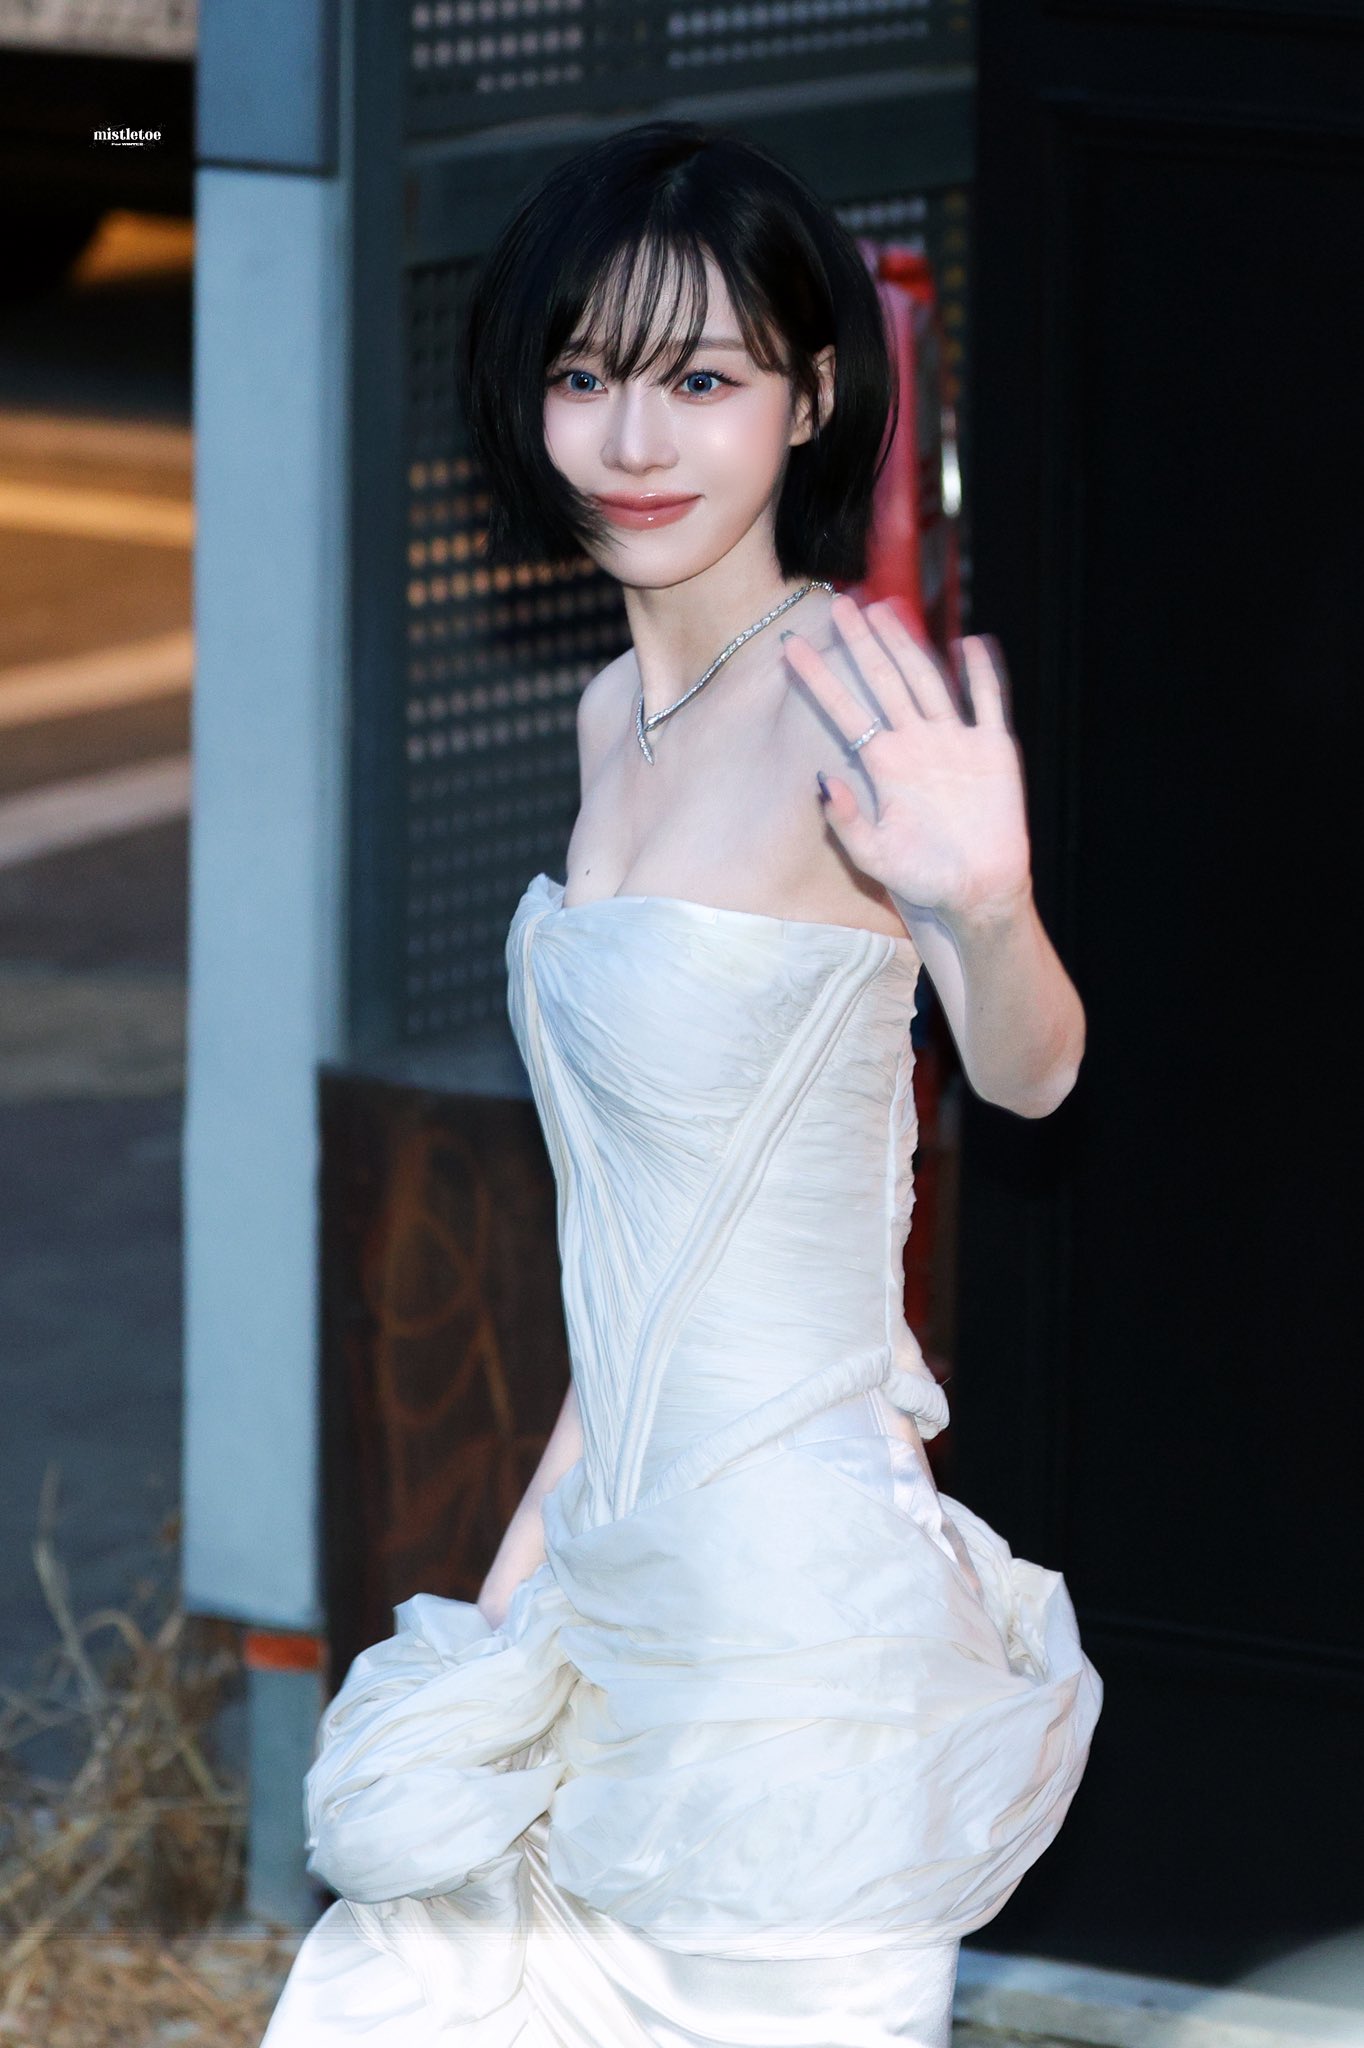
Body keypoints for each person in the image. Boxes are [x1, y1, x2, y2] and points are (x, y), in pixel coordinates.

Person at [260, 119, 1103, 2048]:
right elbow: (634, 1264)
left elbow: (1035, 1076)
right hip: (610, 1571)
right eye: (585, 375)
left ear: (815, 397)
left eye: (702, 382)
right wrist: (507, 1612)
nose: (632, 441)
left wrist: (986, 910)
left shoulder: (854, 708)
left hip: (791, 1630)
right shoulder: (606, 716)